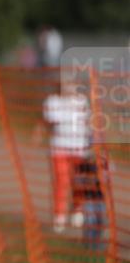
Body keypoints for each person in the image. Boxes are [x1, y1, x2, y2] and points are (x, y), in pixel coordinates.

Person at [39, 80, 90, 233]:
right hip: (59, 147)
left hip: (80, 149)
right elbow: (49, 121)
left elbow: (89, 123)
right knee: (62, 181)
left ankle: (77, 210)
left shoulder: (82, 100)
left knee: (79, 182)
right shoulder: (53, 101)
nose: (69, 87)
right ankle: (59, 217)